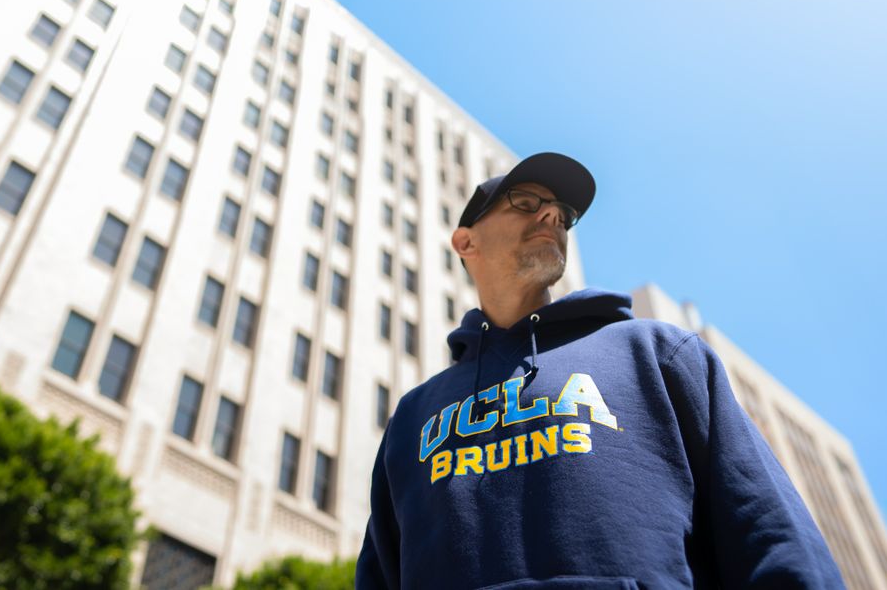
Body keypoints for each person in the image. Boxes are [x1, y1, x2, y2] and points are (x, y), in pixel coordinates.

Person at [355, 152, 842, 589]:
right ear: (465, 242)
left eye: (562, 215)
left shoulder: (659, 352)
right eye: (525, 201)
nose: (552, 215)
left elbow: (772, 533)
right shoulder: (413, 415)